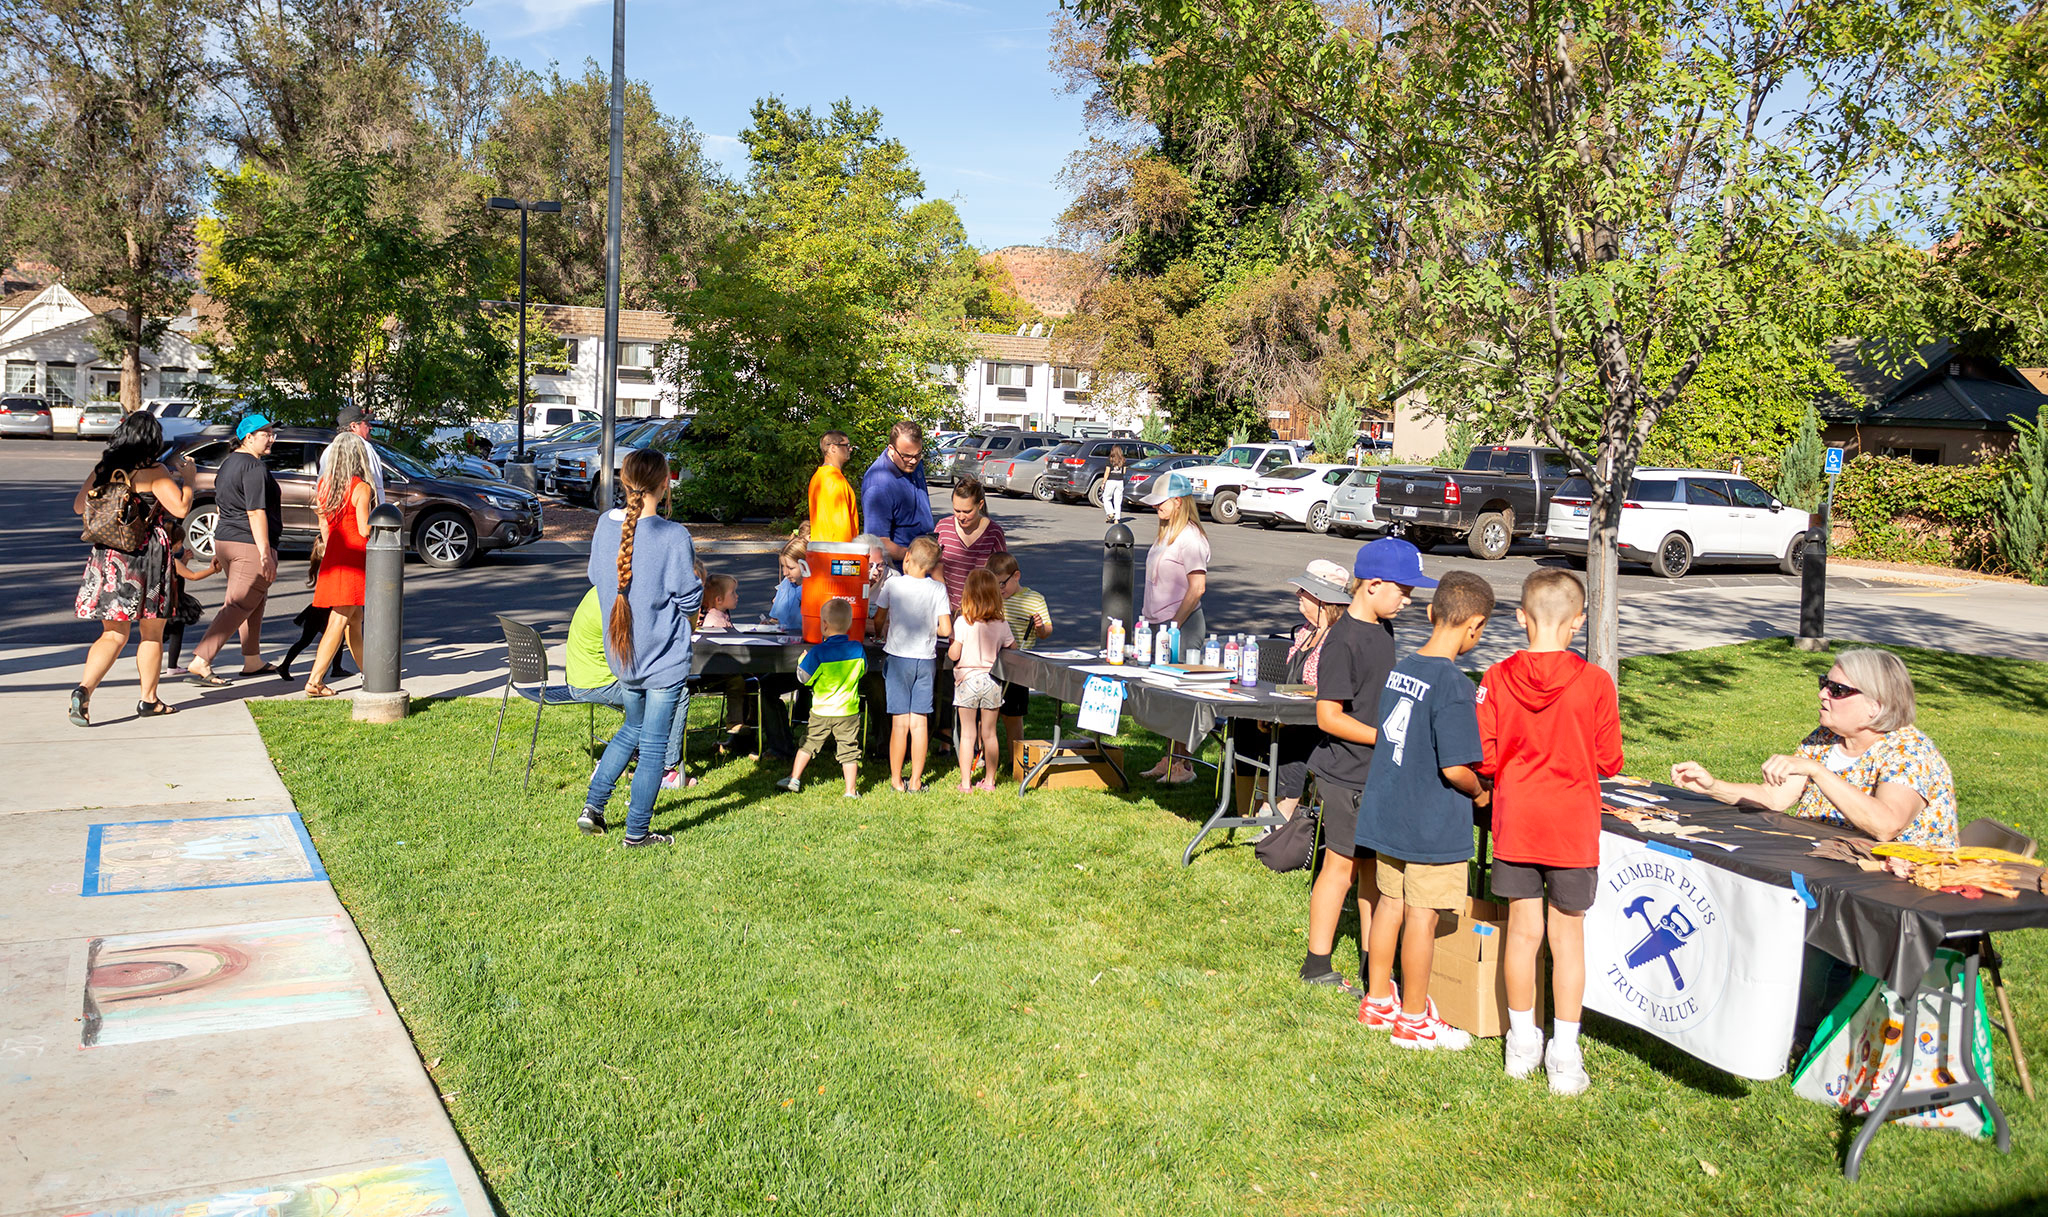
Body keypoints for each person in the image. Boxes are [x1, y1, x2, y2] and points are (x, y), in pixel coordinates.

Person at [1477, 569, 1623, 1094]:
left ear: (1521, 617)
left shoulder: (1495, 677)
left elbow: (1485, 758)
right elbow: (1609, 760)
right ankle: (1564, 1053)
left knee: (1522, 934)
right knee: (1567, 939)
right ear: (1578, 622)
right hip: (1571, 826)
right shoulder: (1596, 682)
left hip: (1517, 820)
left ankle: (1521, 1044)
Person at [1355, 570, 1495, 1051]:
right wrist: (1480, 793)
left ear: (1433, 612)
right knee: (1423, 916)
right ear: (1475, 625)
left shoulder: (1403, 668)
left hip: (1388, 810)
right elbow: (1455, 767)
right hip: (1430, 822)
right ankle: (1414, 1018)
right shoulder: (1454, 684)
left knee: (1389, 904)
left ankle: (1378, 999)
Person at [1298, 537, 1431, 993]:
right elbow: (1327, 716)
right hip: (1345, 774)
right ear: (1372, 585)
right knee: (1341, 868)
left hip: (1376, 771)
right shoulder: (1343, 641)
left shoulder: (1383, 629)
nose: (1408, 599)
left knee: (1374, 871)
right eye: (1403, 590)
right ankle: (1316, 963)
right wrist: (1385, 736)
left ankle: (1375, 963)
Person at [1671, 648, 1957, 846]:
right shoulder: (1825, 738)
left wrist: (1817, 771)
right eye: (1824, 683)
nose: (1822, 694)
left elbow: (1887, 825)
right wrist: (1713, 787)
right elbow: (1774, 798)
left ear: (1875, 706)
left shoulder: (1909, 751)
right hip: (1829, 868)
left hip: (1905, 890)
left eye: (1837, 690)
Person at [576, 447, 702, 847]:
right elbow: (690, 599)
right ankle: (637, 833)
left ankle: (593, 807)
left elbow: (596, 576)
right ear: (665, 484)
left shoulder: (604, 525)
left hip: (623, 654)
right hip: (662, 658)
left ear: (624, 480)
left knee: (632, 726)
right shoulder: (673, 535)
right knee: (653, 746)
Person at [68, 410, 196, 724]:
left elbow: (78, 506)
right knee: (151, 633)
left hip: (109, 557)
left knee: (113, 634)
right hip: (146, 556)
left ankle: (84, 690)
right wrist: (190, 480)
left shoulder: (104, 468)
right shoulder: (154, 470)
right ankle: (149, 700)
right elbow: (180, 508)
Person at [1238, 559, 1353, 823]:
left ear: (1322, 598)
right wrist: (1270, 710)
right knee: (1244, 723)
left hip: (1320, 717)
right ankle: (1248, 806)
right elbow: (1292, 682)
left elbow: (1329, 689)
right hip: (1292, 708)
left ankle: (1281, 812)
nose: (1298, 594)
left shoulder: (1339, 636)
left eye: (1305, 590)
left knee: (1295, 735)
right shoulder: (1306, 631)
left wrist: (1285, 713)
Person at [545, 588, 694, 789]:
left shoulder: (602, 591)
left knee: (645, 708)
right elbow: (640, 651)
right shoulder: (621, 602)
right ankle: (664, 770)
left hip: (583, 677)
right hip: (598, 682)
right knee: (677, 693)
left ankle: (623, 759)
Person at [188, 415, 282, 686]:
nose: (271, 439)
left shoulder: (228, 464)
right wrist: (265, 553)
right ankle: (201, 660)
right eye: (266, 434)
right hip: (248, 543)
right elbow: (255, 511)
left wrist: (218, 548)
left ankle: (252, 660)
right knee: (239, 604)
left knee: (254, 601)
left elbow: (221, 506)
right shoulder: (253, 467)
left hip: (226, 541)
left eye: (272, 433)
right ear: (248, 437)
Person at [1136, 472, 1210, 783]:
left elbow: (1197, 588)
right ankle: (1170, 758)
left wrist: (1175, 625)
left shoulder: (1191, 538)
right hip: (1162, 626)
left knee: (1181, 696)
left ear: (1178, 502)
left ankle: (1185, 766)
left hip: (1183, 626)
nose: (1157, 507)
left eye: (1161, 502)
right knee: (1166, 696)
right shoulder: (1166, 533)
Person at [872, 535, 951, 792]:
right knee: (919, 723)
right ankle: (916, 781)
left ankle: (897, 780)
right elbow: (945, 629)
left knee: (899, 723)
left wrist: (880, 632)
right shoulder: (938, 589)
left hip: (898, 659)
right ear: (931, 566)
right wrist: (929, 628)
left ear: (907, 558)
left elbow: (879, 618)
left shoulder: (893, 585)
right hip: (925, 660)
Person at [302, 431, 375, 698]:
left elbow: (324, 526)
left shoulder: (325, 485)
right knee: (339, 619)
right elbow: (365, 529)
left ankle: (371, 675)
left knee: (354, 620)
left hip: (334, 553)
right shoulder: (361, 487)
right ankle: (315, 680)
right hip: (354, 558)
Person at [775, 597, 867, 797]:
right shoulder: (857, 649)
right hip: (848, 711)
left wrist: (802, 661)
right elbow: (863, 670)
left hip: (822, 710)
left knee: (808, 743)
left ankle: (794, 778)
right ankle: (850, 790)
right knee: (849, 750)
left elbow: (804, 678)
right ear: (849, 624)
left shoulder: (818, 652)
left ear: (824, 625)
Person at [948, 568, 1016, 794]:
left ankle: (966, 783)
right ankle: (989, 781)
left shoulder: (962, 622)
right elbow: (1013, 648)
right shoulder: (1002, 624)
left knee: (968, 734)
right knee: (990, 733)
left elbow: (954, 654)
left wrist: (952, 647)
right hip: (992, 681)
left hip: (967, 680)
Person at [987, 552, 1051, 775]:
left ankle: (1016, 761)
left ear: (1016, 576)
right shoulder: (993, 596)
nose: (999, 590)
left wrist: (1040, 627)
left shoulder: (1035, 599)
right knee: (987, 713)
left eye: (1002, 584)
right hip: (991, 662)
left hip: (1018, 666)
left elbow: (1046, 631)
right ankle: (984, 756)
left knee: (1013, 716)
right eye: (994, 585)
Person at [859, 420, 934, 563]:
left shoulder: (911, 463)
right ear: (891, 449)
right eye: (907, 456)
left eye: (918, 455)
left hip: (925, 559)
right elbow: (878, 542)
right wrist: (915, 558)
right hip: (902, 567)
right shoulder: (879, 485)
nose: (913, 461)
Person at [317, 403, 387, 504]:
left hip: (334, 508)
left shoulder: (330, 449)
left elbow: (322, 484)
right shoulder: (365, 447)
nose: (370, 427)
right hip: (359, 508)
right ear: (354, 426)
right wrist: (380, 508)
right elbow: (376, 484)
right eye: (366, 423)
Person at [808, 431, 860, 542]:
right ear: (833, 448)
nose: (850, 449)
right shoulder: (834, 480)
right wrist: (849, 551)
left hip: (821, 548)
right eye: (846, 445)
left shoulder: (818, 477)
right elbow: (841, 530)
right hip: (836, 550)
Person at [769, 540, 805, 633]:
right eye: (783, 566)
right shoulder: (785, 584)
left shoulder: (815, 590)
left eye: (790, 568)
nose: (785, 573)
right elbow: (775, 619)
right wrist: (769, 626)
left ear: (805, 565)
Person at [1101, 445, 1128, 523]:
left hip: (1111, 481)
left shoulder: (1110, 459)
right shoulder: (1123, 460)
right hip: (1120, 481)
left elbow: (1107, 472)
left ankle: (1110, 512)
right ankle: (1117, 519)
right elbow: (1124, 472)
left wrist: (1103, 482)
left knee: (1106, 497)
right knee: (1118, 500)